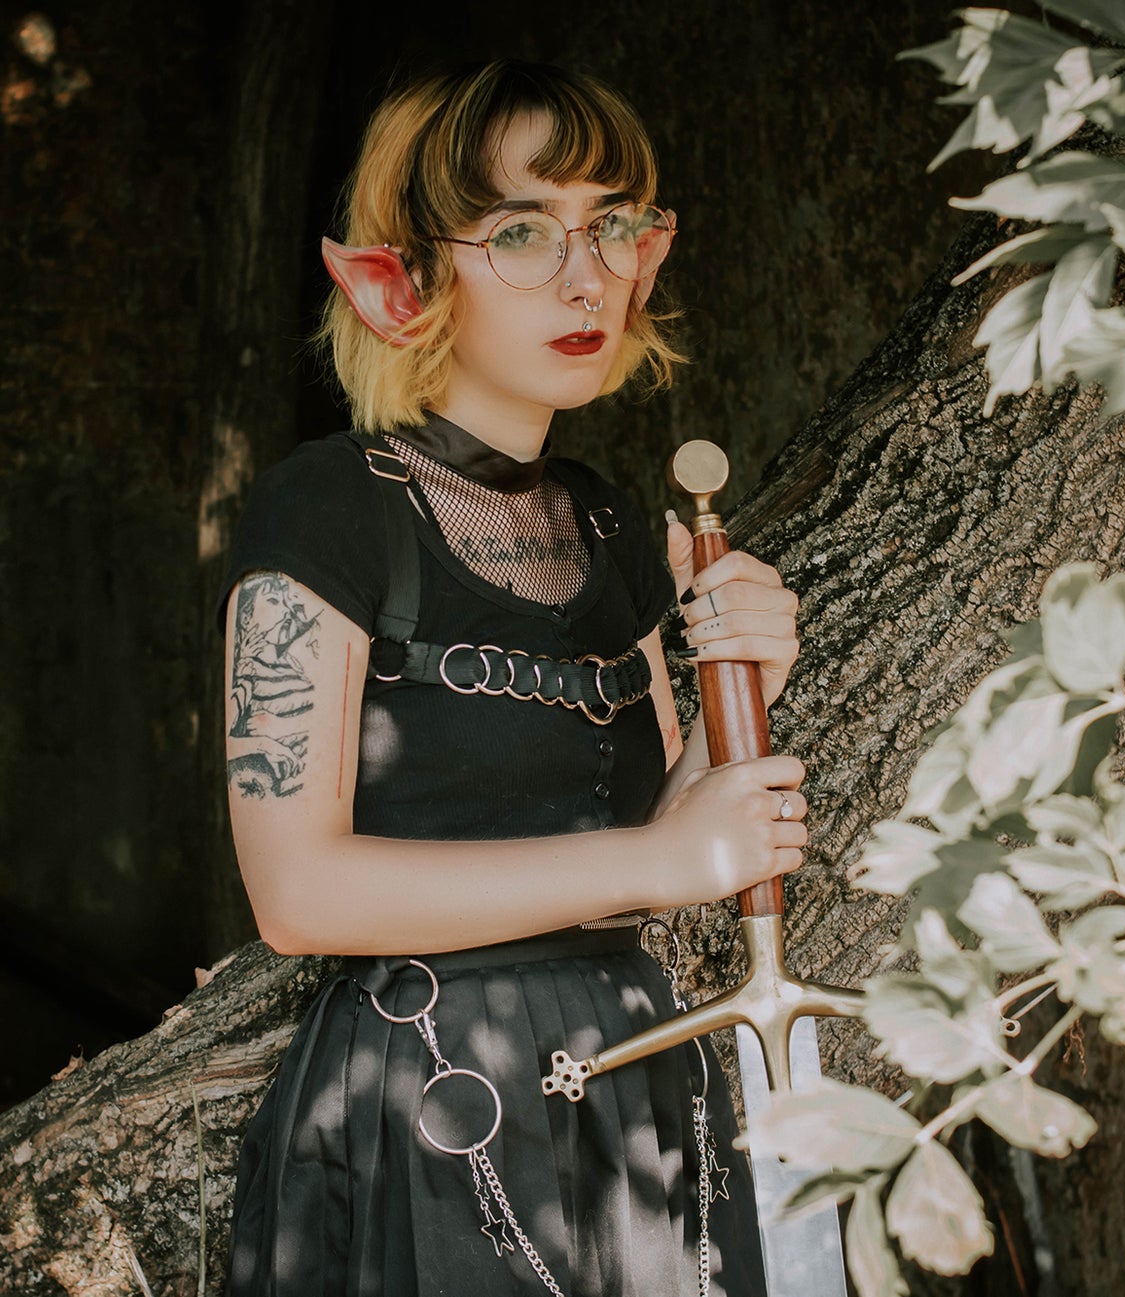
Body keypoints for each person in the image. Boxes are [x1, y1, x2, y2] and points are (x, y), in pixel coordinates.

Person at [217, 60, 806, 1297]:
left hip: (639, 1094)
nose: (587, 277)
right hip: (428, 1112)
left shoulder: (606, 523)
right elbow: (297, 893)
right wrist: (659, 862)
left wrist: (740, 690)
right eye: (523, 232)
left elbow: (660, 845)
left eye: (611, 225)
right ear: (399, 279)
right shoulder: (327, 507)